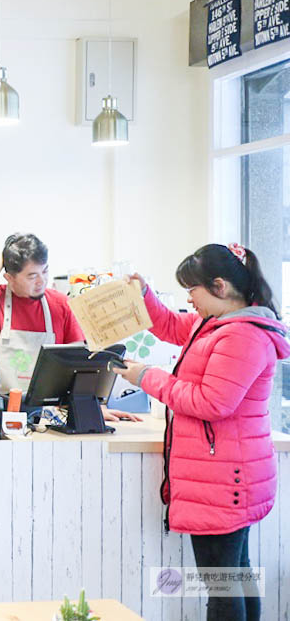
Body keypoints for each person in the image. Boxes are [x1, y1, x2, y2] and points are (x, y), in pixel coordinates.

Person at [117, 243, 288, 621]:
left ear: (220, 286)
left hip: (225, 478)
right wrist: (143, 294)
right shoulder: (217, 323)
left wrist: (146, 376)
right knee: (234, 577)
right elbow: (170, 326)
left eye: (192, 290)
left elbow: (212, 403)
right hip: (226, 474)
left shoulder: (242, 336)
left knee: (222, 586)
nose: (189, 300)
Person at [0, 233, 140, 421]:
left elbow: (81, 364)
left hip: (47, 416)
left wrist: (95, 407)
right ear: (9, 277)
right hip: (1, 413)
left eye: (45, 271)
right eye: (32, 276)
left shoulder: (62, 305)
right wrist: (9, 250)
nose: (41, 281)